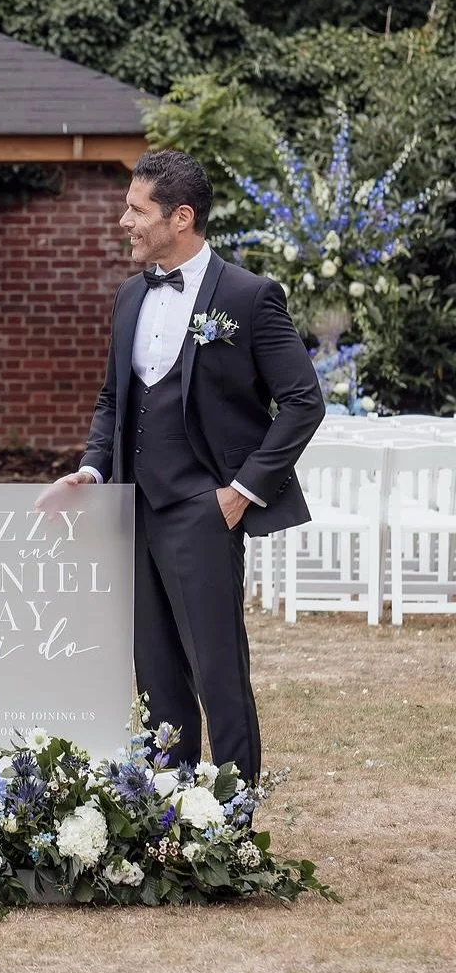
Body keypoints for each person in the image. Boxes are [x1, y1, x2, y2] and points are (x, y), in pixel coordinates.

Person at [44, 150, 323, 782]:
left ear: (182, 218)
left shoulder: (250, 297)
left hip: (205, 509)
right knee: (156, 675)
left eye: (137, 210)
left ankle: (230, 825)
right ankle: (168, 818)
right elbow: (114, 398)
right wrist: (91, 471)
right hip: (134, 511)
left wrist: (242, 491)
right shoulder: (127, 297)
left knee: (218, 673)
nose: (124, 222)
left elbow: (304, 401)